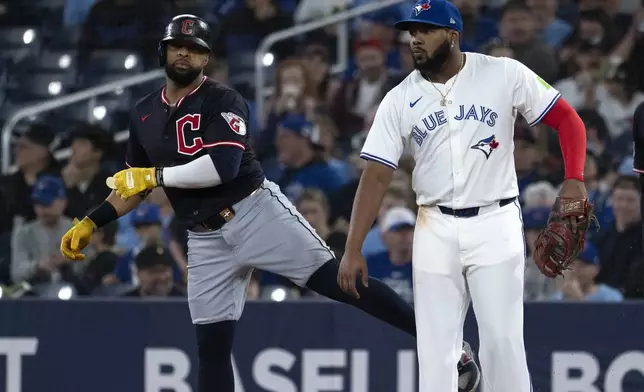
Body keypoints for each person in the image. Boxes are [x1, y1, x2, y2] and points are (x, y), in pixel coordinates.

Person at [58, 14, 480, 392]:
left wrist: (156, 176)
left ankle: (450, 349)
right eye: (176, 46)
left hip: (253, 212)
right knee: (211, 347)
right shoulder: (144, 112)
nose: (183, 53)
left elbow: (221, 167)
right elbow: (131, 186)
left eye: (193, 48)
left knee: (345, 283)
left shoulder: (223, 99)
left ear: (205, 59)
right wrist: (92, 222)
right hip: (203, 236)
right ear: (163, 52)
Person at [338, 1, 589, 391]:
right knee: (436, 351)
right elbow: (374, 175)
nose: (415, 39)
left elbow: (567, 119)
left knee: (503, 344)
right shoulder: (399, 98)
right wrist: (353, 246)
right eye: (411, 32)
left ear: (452, 35)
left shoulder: (502, 72)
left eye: (425, 30)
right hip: (434, 224)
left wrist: (574, 178)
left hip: (496, 219)